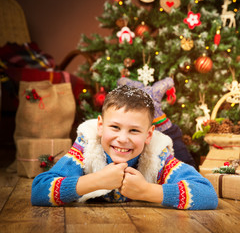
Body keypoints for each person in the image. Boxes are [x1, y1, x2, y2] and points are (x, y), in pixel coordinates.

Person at [31, 85, 218, 210]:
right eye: (114, 127)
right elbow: (39, 190)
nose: (122, 139)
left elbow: (208, 194)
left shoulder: (156, 155)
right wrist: (96, 181)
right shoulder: (87, 148)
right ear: (100, 126)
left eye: (134, 130)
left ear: (149, 135)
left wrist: (147, 191)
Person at [117, 77, 197, 168]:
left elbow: (120, 81)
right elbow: (169, 81)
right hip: (156, 129)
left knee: (182, 159)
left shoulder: (153, 91)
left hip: (165, 130)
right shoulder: (154, 90)